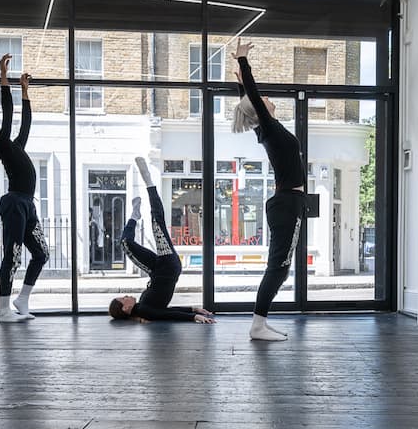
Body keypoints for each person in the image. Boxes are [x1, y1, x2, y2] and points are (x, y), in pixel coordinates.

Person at [230, 39, 305, 341]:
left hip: (286, 202)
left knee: (280, 266)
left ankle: (260, 322)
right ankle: (257, 325)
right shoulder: (270, 128)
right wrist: (243, 61)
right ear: (260, 110)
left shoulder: (267, 130)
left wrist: (242, 87)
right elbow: (255, 101)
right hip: (287, 203)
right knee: (279, 267)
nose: (268, 99)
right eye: (262, 100)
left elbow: (251, 103)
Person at [0, 54, 48, 323]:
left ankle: (22, 298)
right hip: (14, 203)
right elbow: (7, 112)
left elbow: (24, 124)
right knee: (12, 255)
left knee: (41, 254)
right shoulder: (1, 145)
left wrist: (25, 91)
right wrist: (4, 77)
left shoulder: (14, 147)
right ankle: (3, 311)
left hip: (27, 203)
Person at [109, 158, 216, 324]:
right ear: (125, 308)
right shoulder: (143, 310)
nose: (127, 295)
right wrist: (193, 316)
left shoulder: (141, 308)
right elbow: (167, 314)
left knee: (125, 243)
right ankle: (149, 181)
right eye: (124, 298)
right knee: (157, 222)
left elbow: (165, 310)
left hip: (157, 269)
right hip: (167, 267)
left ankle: (134, 216)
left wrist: (194, 309)